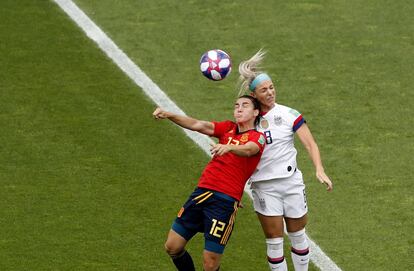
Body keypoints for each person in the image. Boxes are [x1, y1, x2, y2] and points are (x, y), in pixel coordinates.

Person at [238, 50, 333, 271]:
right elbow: (240, 153)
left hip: (291, 183)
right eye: (264, 90)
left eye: (271, 87)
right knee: (274, 241)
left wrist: (319, 169)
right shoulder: (248, 120)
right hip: (263, 186)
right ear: (255, 95)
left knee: (298, 235)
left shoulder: (289, 114)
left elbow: (310, 144)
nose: (270, 92)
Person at [152, 95, 265, 271]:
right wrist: (169, 114)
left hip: (224, 202)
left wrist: (230, 147)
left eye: (245, 106)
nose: (239, 109)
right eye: (236, 106)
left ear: (256, 112)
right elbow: (198, 125)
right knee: (172, 246)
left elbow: (250, 149)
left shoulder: (258, 137)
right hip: (201, 193)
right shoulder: (227, 128)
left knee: (210, 264)